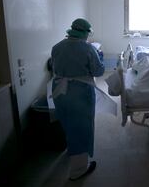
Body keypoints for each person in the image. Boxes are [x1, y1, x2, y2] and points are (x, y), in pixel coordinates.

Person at [51, 18, 105, 181]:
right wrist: (100, 58)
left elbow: (55, 67)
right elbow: (98, 72)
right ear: (86, 32)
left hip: (59, 90)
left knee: (68, 121)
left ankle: (72, 150)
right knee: (82, 128)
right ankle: (78, 170)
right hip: (79, 92)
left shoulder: (57, 46)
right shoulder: (88, 49)